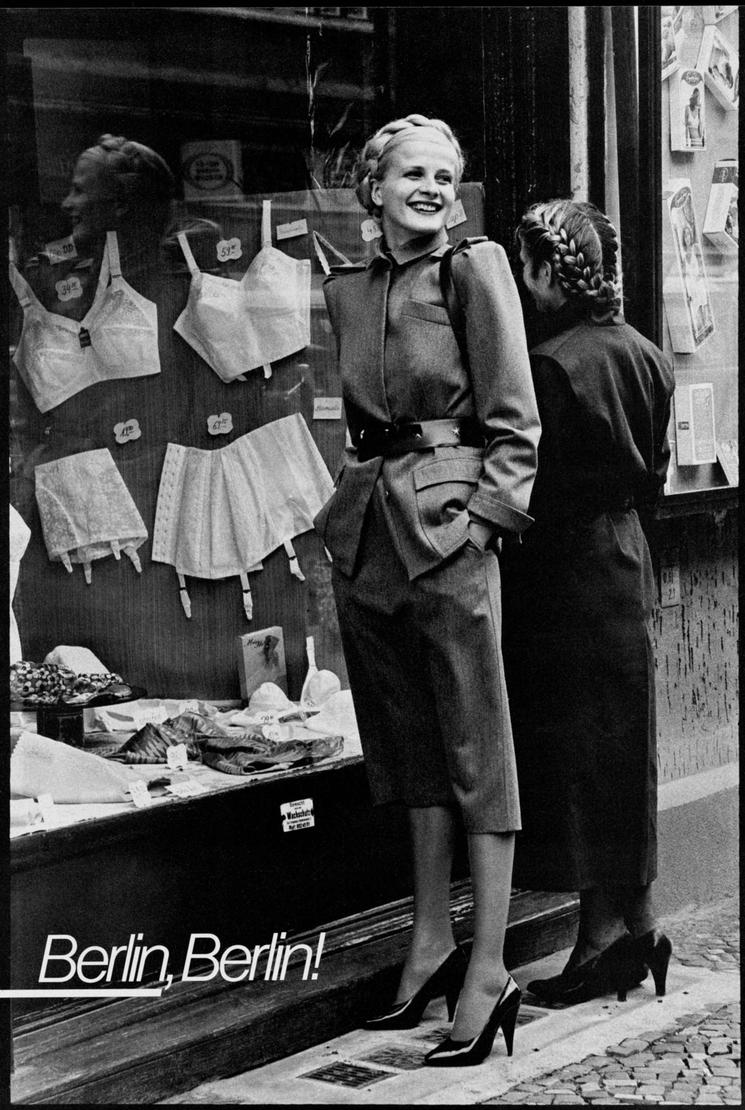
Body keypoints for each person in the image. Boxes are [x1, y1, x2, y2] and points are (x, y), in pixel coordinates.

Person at [314, 113, 540, 1066]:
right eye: (413, 172)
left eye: (446, 175)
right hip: (367, 533)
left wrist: (486, 520)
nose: (433, 187)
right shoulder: (348, 286)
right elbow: (364, 422)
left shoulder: (473, 268)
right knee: (404, 751)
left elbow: (514, 419)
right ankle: (428, 944)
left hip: (448, 534)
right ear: (373, 187)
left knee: (473, 748)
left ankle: (487, 971)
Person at [502, 198, 675, 1006]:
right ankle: (637, 927)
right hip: (624, 554)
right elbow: (653, 473)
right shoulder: (644, 353)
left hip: (562, 568)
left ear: (547, 272)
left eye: (527, 267)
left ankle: (599, 939)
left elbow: (530, 484)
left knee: (576, 756)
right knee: (619, 749)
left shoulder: (549, 363)